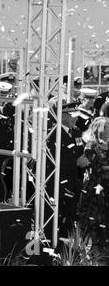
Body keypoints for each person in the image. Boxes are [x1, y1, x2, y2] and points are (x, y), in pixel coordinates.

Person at [46, 102, 88, 238]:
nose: (76, 118)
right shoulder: (52, 134)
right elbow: (51, 159)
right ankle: (53, 244)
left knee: (70, 215)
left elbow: (80, 151)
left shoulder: (76, 132)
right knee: (56, 216)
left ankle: (66, 246)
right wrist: (75, 162)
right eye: (72, 115)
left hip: (73, 180)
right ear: (62, 116)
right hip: (56, 182)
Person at [77, 117, 109, 253]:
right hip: (94, 186)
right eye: (106, 127)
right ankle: (93, 248)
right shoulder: (91, 146)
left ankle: (104, 247)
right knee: (94, 217)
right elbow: (96, 165)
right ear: (98, 129)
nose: (108, 130)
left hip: (106, 187)